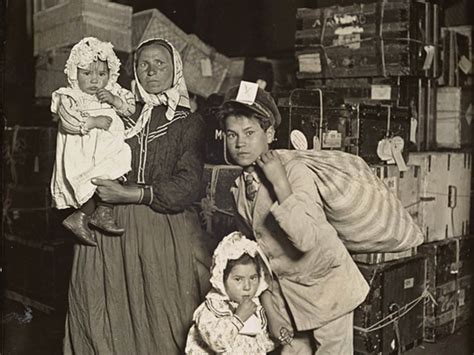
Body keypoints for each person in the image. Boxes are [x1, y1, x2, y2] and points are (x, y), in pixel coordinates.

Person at [63, 38, 207, 355]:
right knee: (103, 318)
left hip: (159, 229)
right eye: (144, 64)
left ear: (175, 70)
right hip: (106, 229)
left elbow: (188, 185)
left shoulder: (188, 122)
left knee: (162, 320)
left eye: (160, 64)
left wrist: (131, 193)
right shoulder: (119, 114)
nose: (151, 71)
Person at [219, 81, 370, 354]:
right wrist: (271, 309)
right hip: (287, 298)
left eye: (250, 132)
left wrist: (280, 184)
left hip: (327, 289)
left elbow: (305, 238)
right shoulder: (239, 188)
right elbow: (255, 256)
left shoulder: (294, 171)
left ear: (270, 133)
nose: (240, 143)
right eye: (232, 134)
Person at [50, 37, 136, 246]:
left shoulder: (113, 91)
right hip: (83, 149)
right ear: (74, 73)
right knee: (89, 180)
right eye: (87, 74)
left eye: (101, 74)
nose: (95, 80)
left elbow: (131, 108)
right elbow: (68, 121)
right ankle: (81, 215)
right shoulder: (70, 96)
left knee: (118, 168)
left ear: (111, 74)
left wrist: (115, 101)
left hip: (109, 147)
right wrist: (92, 121)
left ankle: (103, 212)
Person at [185, 232, 277, 354]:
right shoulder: (212, 308)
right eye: (238, 279)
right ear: (222, 279)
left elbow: (262, 344)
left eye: (253, 278)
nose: (247, 287)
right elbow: (217, 343)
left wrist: (277, 339)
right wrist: (238, 318)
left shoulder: (256, 306)